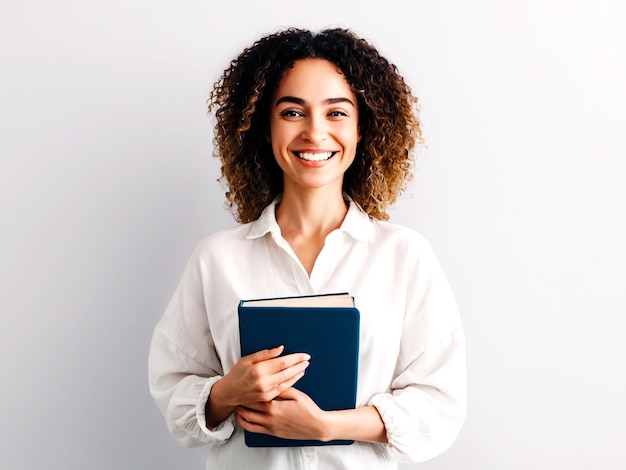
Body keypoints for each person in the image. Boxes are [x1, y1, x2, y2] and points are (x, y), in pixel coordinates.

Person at [148, 27, 466, 469]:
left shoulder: (404, 256)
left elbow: (440, 406)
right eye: (293, 112)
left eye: (336, 113)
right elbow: (172, 391)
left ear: (361, 130)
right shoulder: (217, 258)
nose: (314, 133)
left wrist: (329, 426)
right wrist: (226, 393)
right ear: (264, 127)